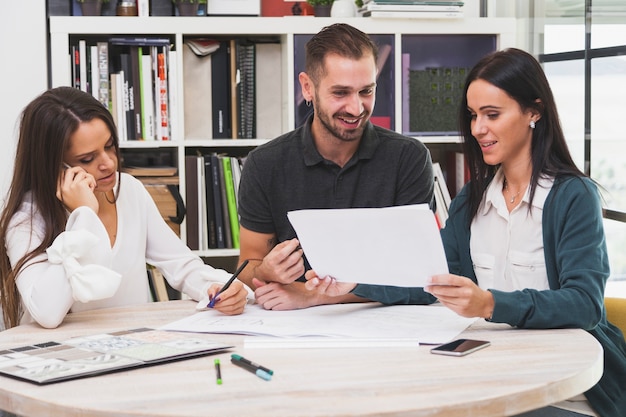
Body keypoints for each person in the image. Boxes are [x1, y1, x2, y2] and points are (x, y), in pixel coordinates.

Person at [422, 48, 625, 417]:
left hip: (569, 393)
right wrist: (340, 290)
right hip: (493, 381)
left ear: (534, 111)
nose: (477, 129)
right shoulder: (472, 199)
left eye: (492, 114)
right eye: (473, 115)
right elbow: (427, 274)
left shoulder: (573, 196)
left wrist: (490, 304)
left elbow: (585, 304)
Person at [0, 87, 250, 331]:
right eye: (88, 159)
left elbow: (182, 266)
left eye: (109, 146)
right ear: (54, 165)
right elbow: (47, 313)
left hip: (130, 346)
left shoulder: (129, 190)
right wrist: (84, 215)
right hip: (61, 360)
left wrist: (219, 287)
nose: (109, 163)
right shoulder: (26, 219)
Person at [236, 23, 435, 310]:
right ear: (308, 87)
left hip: (384, 323)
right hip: (294, 327)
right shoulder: (265, 164)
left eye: (366, 91)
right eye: (340, 93)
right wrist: (266, 271)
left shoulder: (409, 158)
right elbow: (247, 265)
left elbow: (420, 275)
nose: (356, 108)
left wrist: (314, 295)